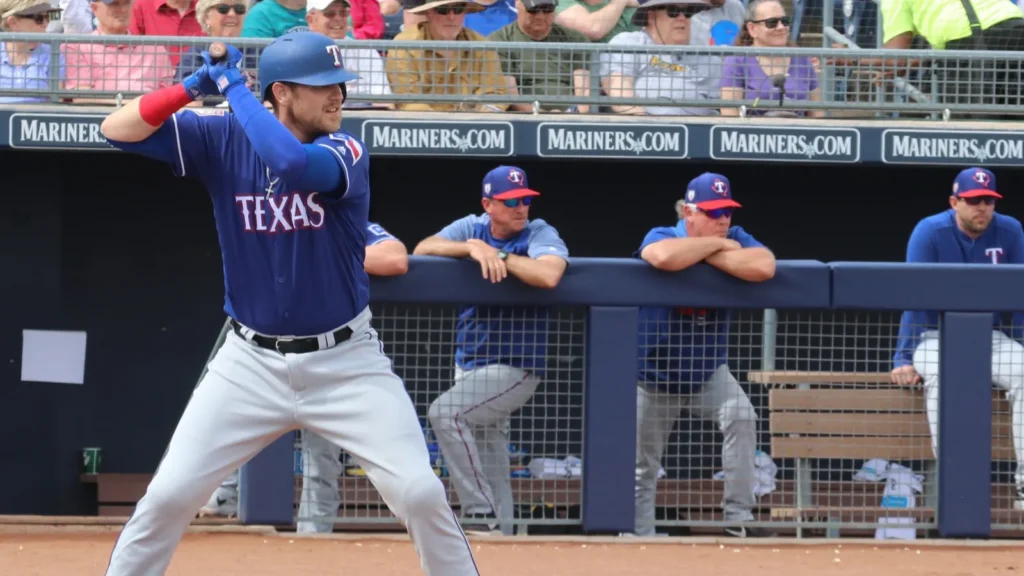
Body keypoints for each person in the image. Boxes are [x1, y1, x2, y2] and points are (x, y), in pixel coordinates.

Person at [97, 30, 479, 575]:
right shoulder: (222, 135)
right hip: (248, 363)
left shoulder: (345, 150)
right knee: (167, 496)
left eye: (340, 85)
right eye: (323, 86)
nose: (337, 96)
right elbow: (116, 129)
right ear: (282, 92)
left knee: (420, 492)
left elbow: (289, 164)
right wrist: (193, 85)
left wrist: (233, 87)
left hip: (346, 363)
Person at [197, 222, 410, 532]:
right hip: (265, 355)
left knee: (321, 457)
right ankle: (224, 499)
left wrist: (328, 258)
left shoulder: (348, 223)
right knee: (233, 429)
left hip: (328, 360)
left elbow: (396, 259)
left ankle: (314, 534)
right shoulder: (272, 221)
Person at [413, 165, 569, 535]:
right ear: (488, 204)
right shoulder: (472, 227)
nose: (521, 207)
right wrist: (471, 247)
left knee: (445, 413)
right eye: (511, 201)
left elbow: (549, 275)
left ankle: (479, 513)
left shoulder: (538, 231)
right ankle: (503, 537)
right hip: (469, 361)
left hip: (515, 365)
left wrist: (500, 257)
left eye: (525, 199)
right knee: (490, 456)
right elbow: (422, 248)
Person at [633, 172, 775, 538]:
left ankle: (738, 519)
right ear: (689, 213)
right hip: (653, 373)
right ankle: (639, 538)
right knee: (641, 467)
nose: (723, 219)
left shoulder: (735, 235)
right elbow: (662, 256)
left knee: (742, 416)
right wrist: (718, 248)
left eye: (727, 211)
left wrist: (707, 251)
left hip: (707, 371)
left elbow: (764, 265)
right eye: (713, 212)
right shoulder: (664, 233)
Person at [891, 167, 1024, 510]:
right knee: (942, 374)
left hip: (989, 336)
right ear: (954, 202)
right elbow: (912, 296)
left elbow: (1020, 299)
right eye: (973, 200)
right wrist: (903, 357)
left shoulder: (1010, 230)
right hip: (935, 336)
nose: (982, 207)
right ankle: (955, 487)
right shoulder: (930, 231)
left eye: (988, 200)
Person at [384, 0, 510, 112]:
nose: (451, 17)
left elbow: (495, 94)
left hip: (474, 125)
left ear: (464, 13)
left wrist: (478, 119)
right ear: (428, 13)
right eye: (443, 10)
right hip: (423, 126)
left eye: (458, 9)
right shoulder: (405, 45)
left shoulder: (482, 45)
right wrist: (445, 125)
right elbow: (408, 100)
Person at [600, 0, 719, 116]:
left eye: (688, 12)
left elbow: (726, 105)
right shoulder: (630, 43)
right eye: (673, 11)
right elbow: (618, 88)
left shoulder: (707, 59)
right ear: (651, 17)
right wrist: (645, 122)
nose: (682, 17)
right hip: (645, 124)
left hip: (700, 127)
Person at [720, 0, 822, 118]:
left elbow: (817, 113)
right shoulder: (737, 62)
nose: (781, 27)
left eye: (785, 21)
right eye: (772, 23)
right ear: (752, 29)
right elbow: (729, 112)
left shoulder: (803, 61)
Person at [488, 0, 592, 113]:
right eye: (533, 9)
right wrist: (543, 115)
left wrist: (571, 114)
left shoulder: (575, 39)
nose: (540, 16)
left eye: (548, 9)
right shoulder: (501, 40)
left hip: (571, 115)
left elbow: (584, 91)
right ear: (518, 4)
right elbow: (510, 95)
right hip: (523, 117)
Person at [0, 0, 65, 104]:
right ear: (13, 23)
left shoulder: (53, 54)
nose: (46, 23)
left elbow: (56, 103)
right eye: (39, 18)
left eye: (47, 17)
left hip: (39, 114)